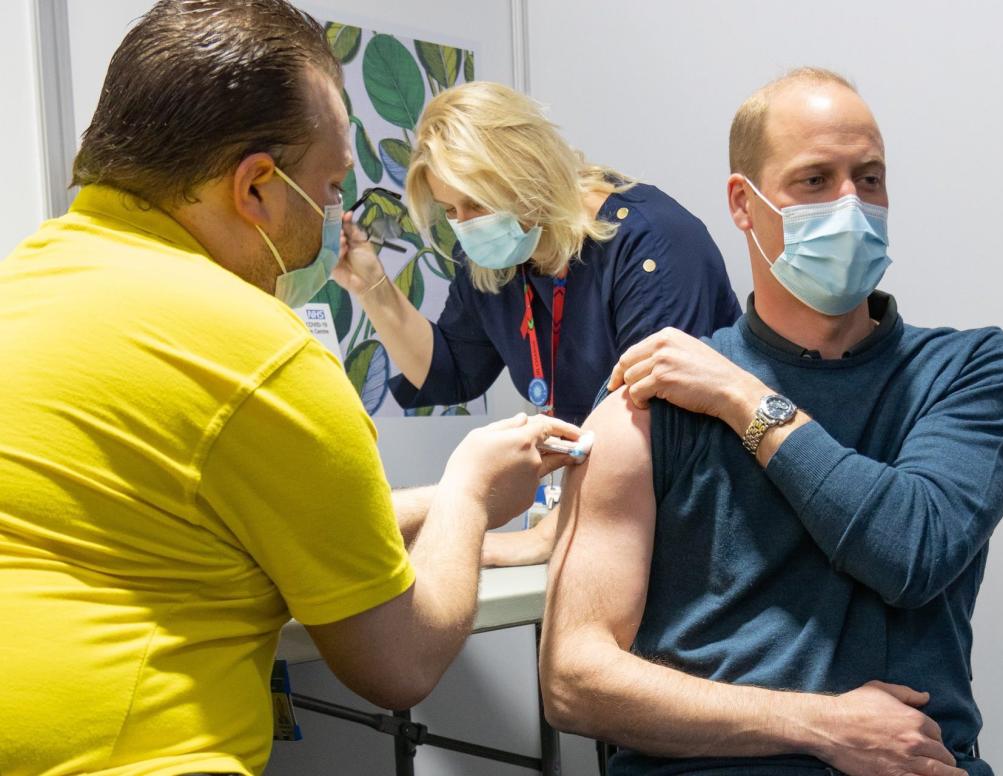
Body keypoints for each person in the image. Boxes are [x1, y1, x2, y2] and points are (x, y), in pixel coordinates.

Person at [0, 3, 579, 775]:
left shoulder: (25, 283)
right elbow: (396, 665)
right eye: (332, 188)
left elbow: (223, 520)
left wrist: (444, 499)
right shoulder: (259, 353)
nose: (333, 216)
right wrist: (470, 494)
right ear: (258, 188)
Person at [538, 68, 1003, 776]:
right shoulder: (652, 403)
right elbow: (573, 681)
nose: (851, 204)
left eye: (870, 177)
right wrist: (822, 726)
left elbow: (910, 551)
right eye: (814, 180)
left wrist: (744, 399)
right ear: (744, 203)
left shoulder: (965, 370)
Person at [332, 81, 742, 566]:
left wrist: (545, 537)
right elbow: (451, 371)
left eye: (477, 204)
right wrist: (372, 287)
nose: (465, 225)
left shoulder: (651, 243)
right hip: (601, 526)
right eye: (451, 211)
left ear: (530, 173)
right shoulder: (498, 257)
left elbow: (659, 425)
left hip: (699, 525)